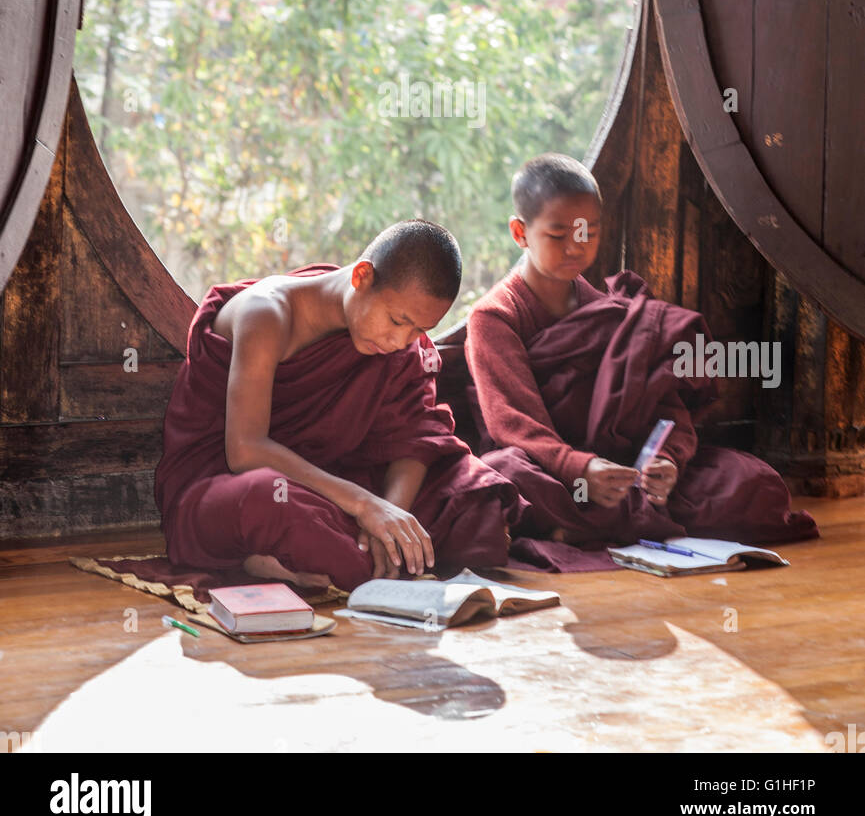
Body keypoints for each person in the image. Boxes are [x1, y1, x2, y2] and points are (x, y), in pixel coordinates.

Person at [464, 154, 818, 571]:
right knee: (502, 474)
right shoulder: (495, 316)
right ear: (520, 232)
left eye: (589, 232)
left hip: (622, 470)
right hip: (554, 470)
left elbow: (665, 404)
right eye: (559, 234)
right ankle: (625, 521)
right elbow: (513, 424)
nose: (576, 247)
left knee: (756, 484)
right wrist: (581, 469)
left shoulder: (612, 310)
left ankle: (589, 527)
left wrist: (666, 459)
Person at [154, 219, 524, 593]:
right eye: (398, 321)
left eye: (419, 331)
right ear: (362, 276)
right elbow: (245, 451)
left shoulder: (393, 343)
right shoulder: (266, 314)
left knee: (476, 500)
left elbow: (415, 434)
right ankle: (283, 555)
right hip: (229, 485)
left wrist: (390, 520)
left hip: (331, 480)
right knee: (268, 497)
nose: (401, 341)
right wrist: (365, 506)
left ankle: (328, 556)